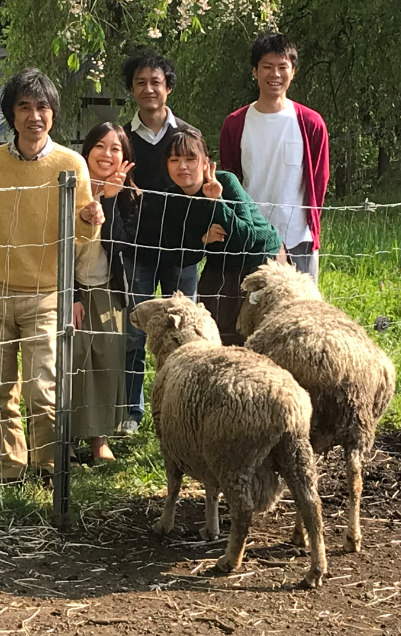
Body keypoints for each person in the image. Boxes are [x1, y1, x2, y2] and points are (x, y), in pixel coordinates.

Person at [0, 69, 100, 485]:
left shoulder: (71, 163)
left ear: (53, 113)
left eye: (42, 107)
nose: (34, 116)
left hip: (48, 293)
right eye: (24, 107)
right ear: (11, 114)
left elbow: (82, 235)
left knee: (43, 390)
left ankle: (47, 467)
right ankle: (11, 470)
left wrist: (91, 220)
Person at [120, 51, 201, 434]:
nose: (149, 89)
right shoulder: (122, 138)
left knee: (184, 331)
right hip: (137, 250)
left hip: (181, 250)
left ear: (168, 87)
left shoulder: (189, 135)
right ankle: (131, 412)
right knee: (134, 332)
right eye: (141, 82)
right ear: (131, 89)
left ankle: (181, 408)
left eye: (156, 82)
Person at [219, 32, 330, 281]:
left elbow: (320, 178)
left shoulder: (311, 123)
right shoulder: (235, 124)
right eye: (267, 67)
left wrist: (311, 223)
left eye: (282, 67)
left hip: (298, 237)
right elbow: (230, 180)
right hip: (252, 237)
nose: (275, 74)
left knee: (303, 304)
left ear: (293, 71)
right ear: (255, 71)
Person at [164, 128, 283, 345]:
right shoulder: (172, 198)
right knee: (216, 324)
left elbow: (245, 238)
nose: (182, 166)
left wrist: (216, 202)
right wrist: (203, 240)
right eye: (174, 160)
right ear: (167, 165)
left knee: (263, 328)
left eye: (190, 159)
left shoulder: (226, 182)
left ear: (205, 163)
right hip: (220, 261)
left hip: (260, 256)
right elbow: (179, 254)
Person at [73, 122, 137, 463]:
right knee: (72, 361)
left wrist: (110, 200)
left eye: (115, 148)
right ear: (87, 151)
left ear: (124, 157)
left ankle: (100, 439)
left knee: (107, 362)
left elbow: (120, 244)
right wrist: (72, 296)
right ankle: (64, 439)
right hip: (70, 288)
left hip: (107, 287)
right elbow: (58, 248)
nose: (106, 154)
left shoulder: (130, 196)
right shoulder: (69, 186)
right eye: (100, 145)